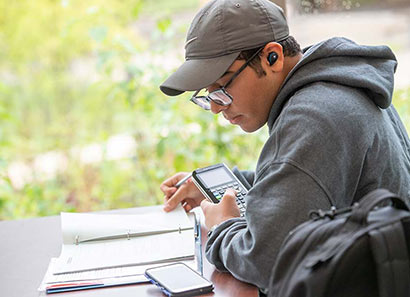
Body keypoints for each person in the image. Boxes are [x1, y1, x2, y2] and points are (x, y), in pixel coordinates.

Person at [159, 0, 410, 292]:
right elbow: (313, 179)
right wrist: (233, 185)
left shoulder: (314, 116)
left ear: (272, 58)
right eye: (207, 95)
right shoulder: (342, 84)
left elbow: (268, 262)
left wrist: (221, 227)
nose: (216, 108)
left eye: (222, 89)